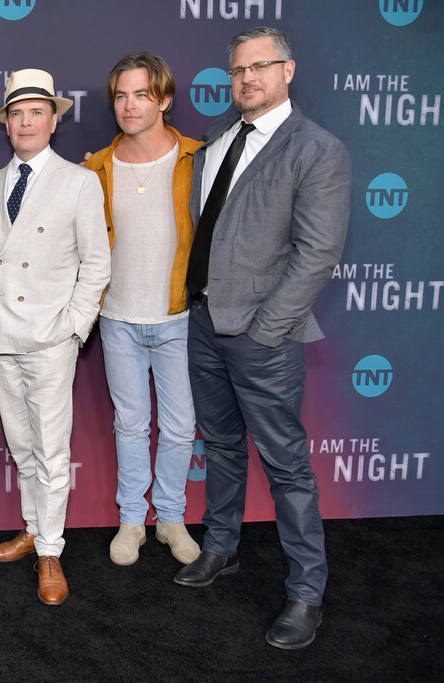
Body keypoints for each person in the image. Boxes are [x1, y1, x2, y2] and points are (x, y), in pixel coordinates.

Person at [172, 27, 350, 650]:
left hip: (262, 337)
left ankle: (306, 593)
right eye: (238, 69)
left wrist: (268, 329)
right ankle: (222, 546)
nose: (248, 78)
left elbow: (317, 253)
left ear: (288, 71)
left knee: (286, 465)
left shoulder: (317, 149)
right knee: (221, 445)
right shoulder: (218, 141)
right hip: (202, 324)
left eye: (261, 66)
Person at [0, 69, 110, 605]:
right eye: (17, 113)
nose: (26, 121)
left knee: (53, 451)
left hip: (52, 338)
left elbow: (96, 265)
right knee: (22, 446)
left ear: (54, 121)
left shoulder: (79, 182)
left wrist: (74, 329)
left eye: (36, 112)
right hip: (3, 338)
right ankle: (33, 530)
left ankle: (52, 550)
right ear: (6, 123)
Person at [83, 53, 202, 568]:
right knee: (130, 425)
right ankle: (132, 519)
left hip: (179, 317)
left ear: (165, 99)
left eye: (142, 94)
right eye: (121, 95)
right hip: (117, 319)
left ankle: (171, 518)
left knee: (180, 427)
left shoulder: (198, 159)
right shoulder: (95, 168)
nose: (129, 105)